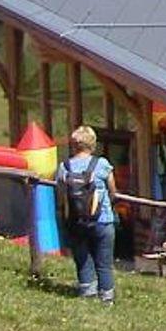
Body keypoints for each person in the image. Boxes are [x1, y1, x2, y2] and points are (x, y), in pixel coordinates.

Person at [59, 126, 118, 303]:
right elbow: (113, 191)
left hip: (76, 221)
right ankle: (106, 298)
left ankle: (87, 293)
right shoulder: (101, 164)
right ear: (92, 144)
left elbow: (61, 195)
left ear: (74, 145)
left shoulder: (64, 167)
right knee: (104, 263)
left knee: (83, 259)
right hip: (102, 220)